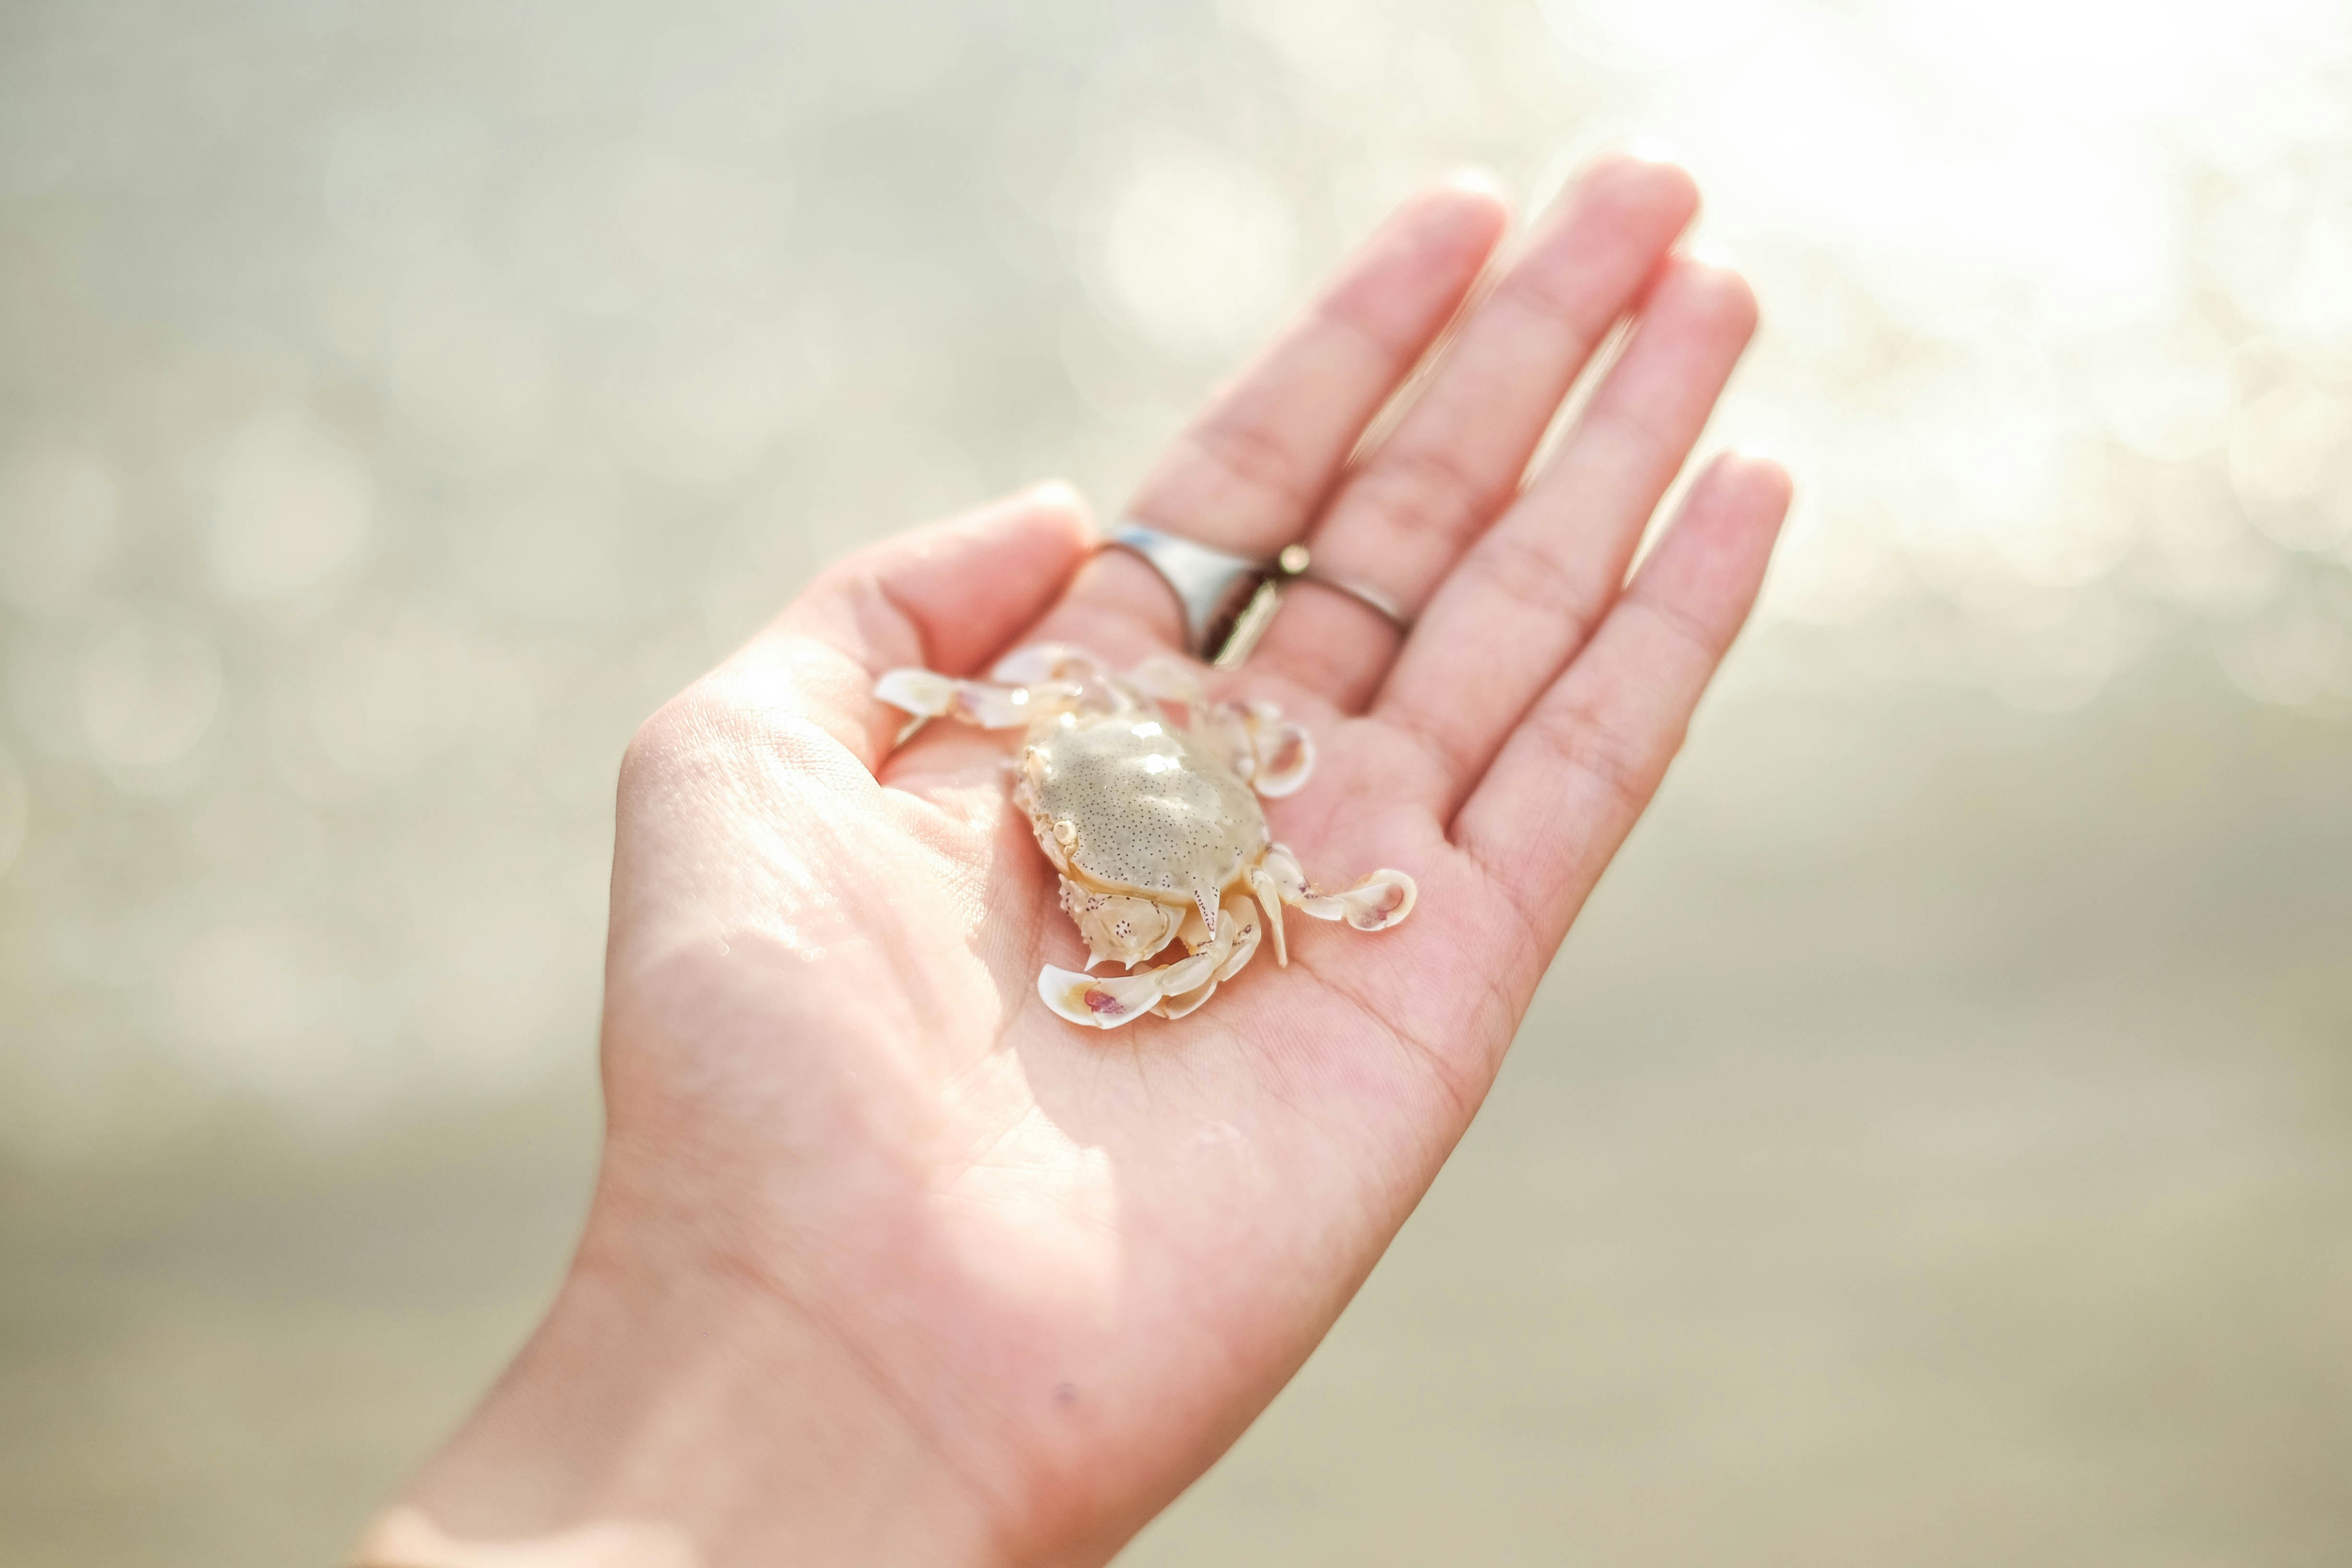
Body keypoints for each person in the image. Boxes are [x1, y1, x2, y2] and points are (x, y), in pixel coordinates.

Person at [351, 151, 1789, 1568]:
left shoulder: (1229, 878)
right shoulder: (1090, 723)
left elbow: (1253, 911)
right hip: (1140, 760)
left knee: (1210, 900)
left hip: (1202, 827)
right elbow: (1043, 750)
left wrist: (1152, 967)